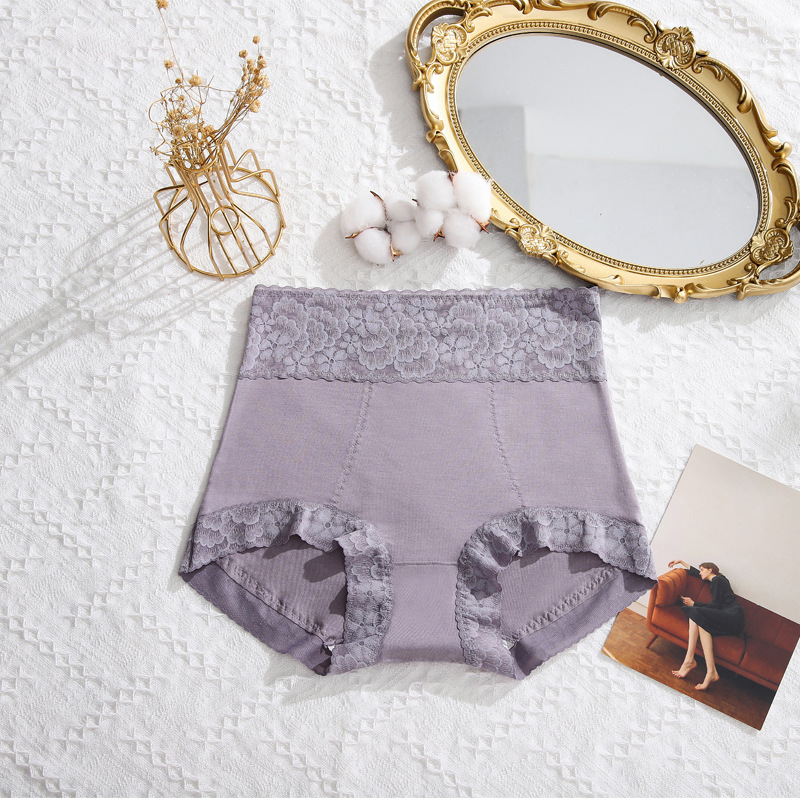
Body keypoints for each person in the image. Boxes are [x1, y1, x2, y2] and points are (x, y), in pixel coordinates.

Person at [667, 559, 745, 691]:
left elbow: (716, 606)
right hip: (728, 616)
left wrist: (694, 604)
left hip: (732, 616)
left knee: (693, 610)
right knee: (699, 621)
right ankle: (710, 671)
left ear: (710, 570)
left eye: (702, 570)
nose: (700, 573)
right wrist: (681, 562)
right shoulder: (716, 581)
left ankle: (689, 660)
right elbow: (696, 573)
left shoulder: (718, 580)